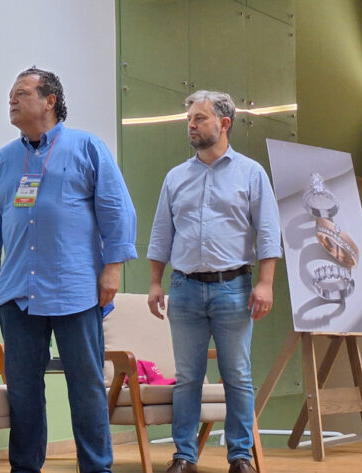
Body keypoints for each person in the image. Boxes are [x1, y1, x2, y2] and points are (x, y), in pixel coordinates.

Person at [0, 67, 137, 473]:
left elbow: (117, 210)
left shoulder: (87, 147)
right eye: (11, 94)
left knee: (86, 387)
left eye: (22, 93)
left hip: (76, 290)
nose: (12, 100)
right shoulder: (1, 160)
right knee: (23, 390)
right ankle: (25, 467)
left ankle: (96, 467)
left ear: (50, 100)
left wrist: (113, 269)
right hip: (17, 293)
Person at [146, 90, 281, 473]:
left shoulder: (251, 173)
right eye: (189, 118)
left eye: (199, 118)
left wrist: (266, 283)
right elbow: (161, 234)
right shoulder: (176, 177)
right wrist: (155, 283)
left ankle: (240, 456)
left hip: (233, 288)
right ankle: (184, 456)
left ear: (224, 123)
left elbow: (268, 231)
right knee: (188, 376)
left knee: (237, 375)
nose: (191, 125)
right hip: (184, 288)